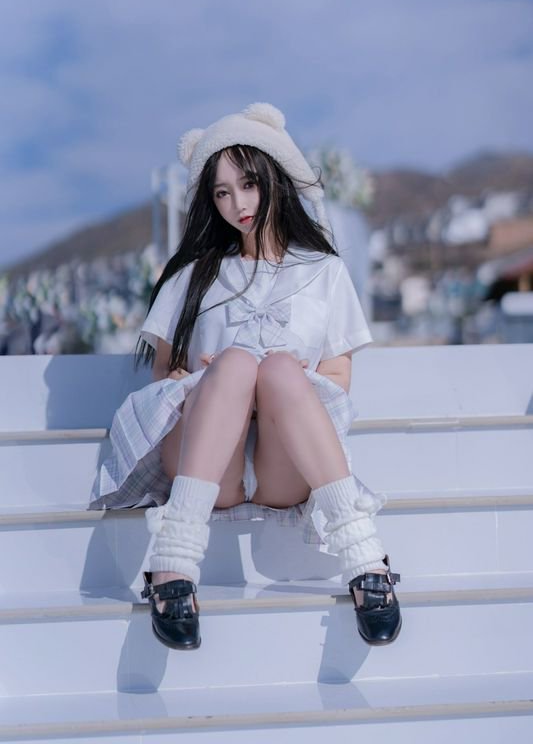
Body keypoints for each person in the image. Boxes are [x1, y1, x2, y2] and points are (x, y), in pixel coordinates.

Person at [92, 102, 401, 651]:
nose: (238, 204)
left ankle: (363, 555)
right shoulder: (192, 276)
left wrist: (283, 383)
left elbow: (338, 377)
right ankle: (174, 559)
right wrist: (206, 377)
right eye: (221, 192)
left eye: (249, 185)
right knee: (235, 363)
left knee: (278, 368)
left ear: (274, 179)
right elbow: (163, 377)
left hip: (286, 468)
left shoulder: (324, 272)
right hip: (209, 466)